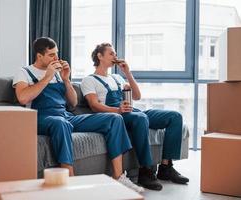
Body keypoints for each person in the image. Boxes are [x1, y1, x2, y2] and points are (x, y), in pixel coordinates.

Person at [13, 37, 144, 193]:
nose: (56, 58)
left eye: (57, 54)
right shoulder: (24, 72)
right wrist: (47, 76)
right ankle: (70, 181)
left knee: (114, 118)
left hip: (65, 115)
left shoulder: (57, 74)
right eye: (51, 55)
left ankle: (119, 176)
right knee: (60, 123)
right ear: (39, 56)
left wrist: (66, 79)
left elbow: (73, 103)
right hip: (40, 117)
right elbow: (23, 98)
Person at [81, 43, 189, 191]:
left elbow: (137, 96)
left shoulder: (117, 78)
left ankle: (165, 167)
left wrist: (128, 73)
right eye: (111, 53)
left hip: (135, 112)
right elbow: (94, 105)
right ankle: (145, 171)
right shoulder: (89, 80)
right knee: (140, 118)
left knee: (174, 117)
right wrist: (117, 110)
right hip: (117, 115)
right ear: (100, 56)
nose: (115, 57)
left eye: (115, 53)